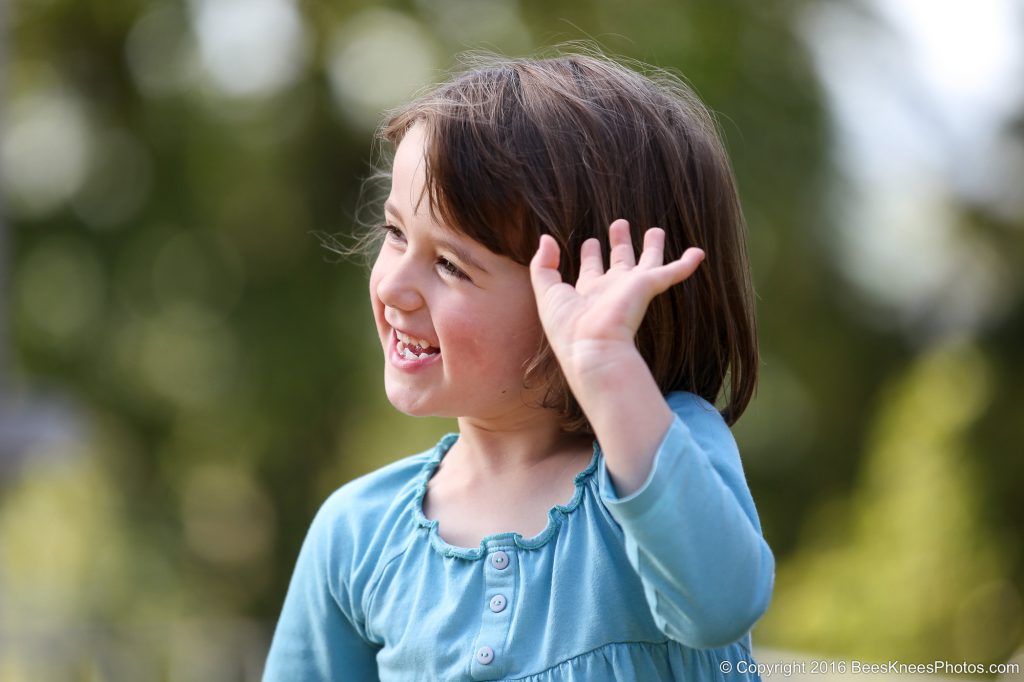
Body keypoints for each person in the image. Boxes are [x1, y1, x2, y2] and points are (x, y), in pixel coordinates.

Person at [263, 46, 774, 681]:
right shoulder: (357, 535)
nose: (394, 286)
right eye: (396, 234)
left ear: (588, 293)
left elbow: (719, 605)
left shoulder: (671, 459)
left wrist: (603, 363)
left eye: (450, 264)